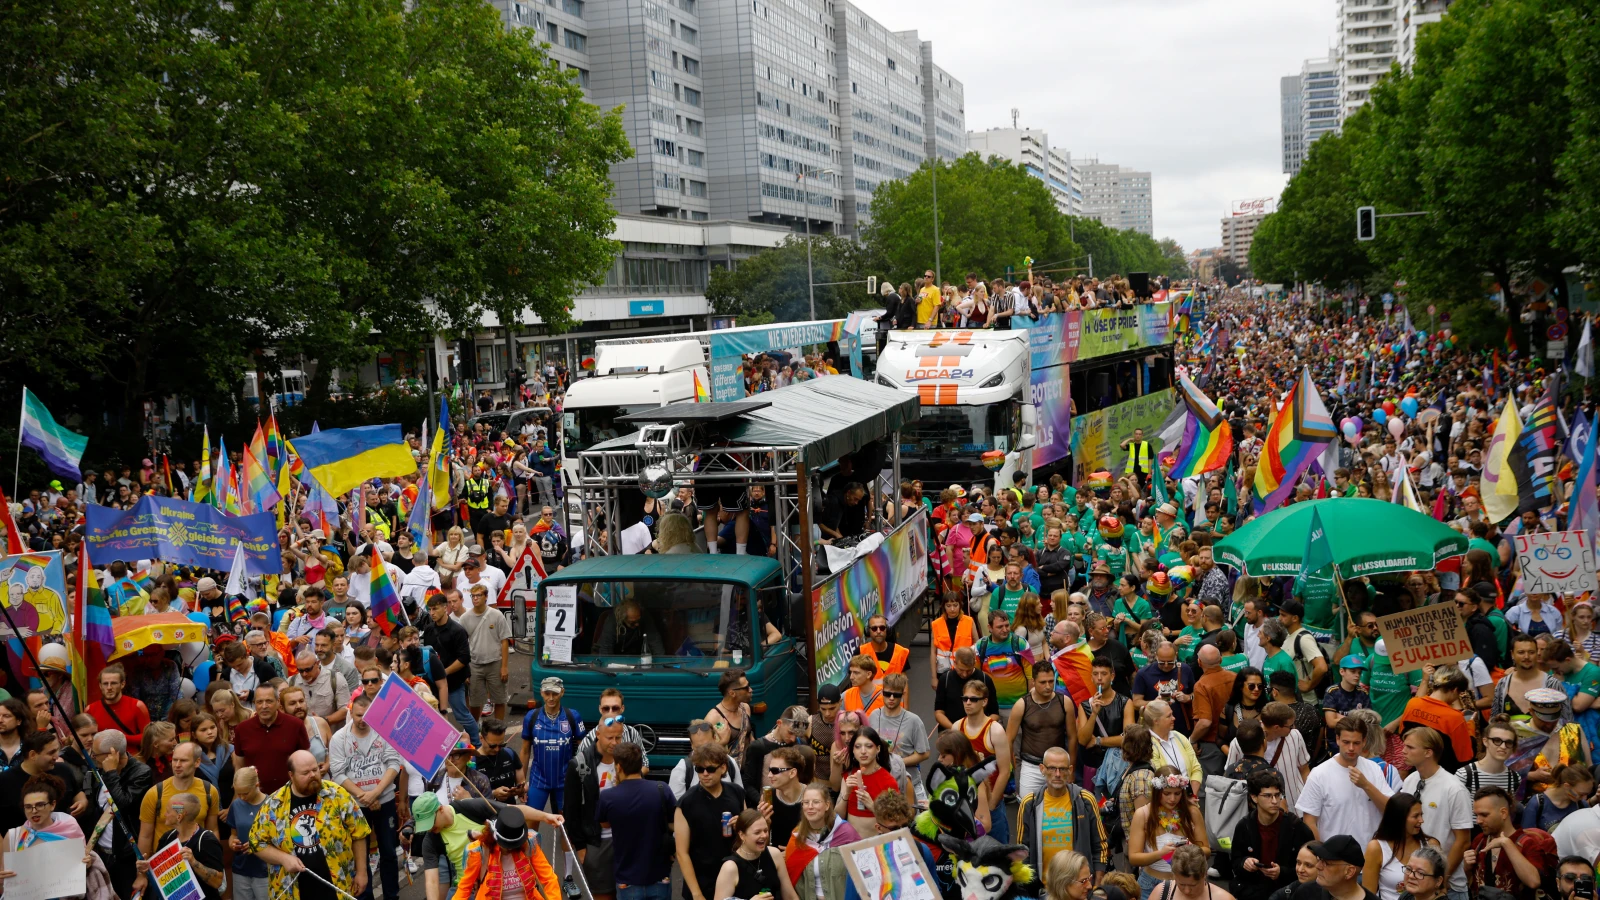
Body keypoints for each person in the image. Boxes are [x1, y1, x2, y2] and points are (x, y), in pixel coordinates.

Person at [247, 750, 372, 900]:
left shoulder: (337, 794)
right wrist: (283, 858)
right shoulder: (273, 805)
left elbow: (359, 832)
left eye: (315, 770)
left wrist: (362, 872)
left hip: (338, 884)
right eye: (305, 773)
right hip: (293, 890)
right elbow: (256, 842)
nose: (313, 775)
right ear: (291, 775)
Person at [328, 693, 403, 900]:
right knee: (360, 855)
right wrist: (365, 796)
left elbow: (394, 764)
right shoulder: (339, 739)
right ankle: (365, 896)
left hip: (385, 800)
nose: (363, 720)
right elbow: (338, 773)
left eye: (367, 715)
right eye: (359, 715)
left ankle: (391, 895)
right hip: (355, 805)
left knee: (388, 851)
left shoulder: (384, 733)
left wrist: (376, 793)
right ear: (351, 712)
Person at [1398, 727, 1473, 900]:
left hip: (1448, 887)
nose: (1403, 751)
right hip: (1418, 881)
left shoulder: (1453, 788)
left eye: (1410, 747)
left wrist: (1442, 880)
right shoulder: (1410, 780)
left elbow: (1463, 841)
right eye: (1404, 746)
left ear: (1428, 752)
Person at [595, 742, 676, 900]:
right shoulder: (662, 789)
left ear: (618, 767)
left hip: (627, 880)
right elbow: (674, 823)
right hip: (660, 877)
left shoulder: (608, 797)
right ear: (640, 765)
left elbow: (604, 824)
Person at [1298, 716, 1396, 844]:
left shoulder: (1374, 769)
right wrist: (1320, 854)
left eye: (1356, 743)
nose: (1351, 748)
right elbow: (1310, 821)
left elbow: (1390, 810)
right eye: (1346, 742)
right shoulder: (1319, 773)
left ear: (1364, 741)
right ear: (1337, 739)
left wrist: (1366, 785)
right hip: (1334, 856)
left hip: (1370, 855)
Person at [1015, 745, 1109, 876]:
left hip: (1080, 886)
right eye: (1052, 768)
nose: (1057, 774)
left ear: (1070, 770)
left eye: (1063, 769)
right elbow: (1022, 853)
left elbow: (1100, 845)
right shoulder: (1029, 804)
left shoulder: (1086, 800)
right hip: (1044, 889)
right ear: (1042, 769)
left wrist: (1096, 885)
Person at [674, 742, 746, 900]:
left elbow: (748, 834)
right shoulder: (686, 803)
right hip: (702, 881)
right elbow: (681, 853)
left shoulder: (737, 792)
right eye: (700, 769)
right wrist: (696, 893)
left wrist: (741, 825)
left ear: (723, 768)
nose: (705, 773)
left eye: (711, 769)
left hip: (735, 877)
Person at [566, 717, 625, 900]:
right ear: (598, 734)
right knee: (602, 895)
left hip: (625, 840)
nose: (614, 743)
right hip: (596, 842)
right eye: (610, 738)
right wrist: (581, 847)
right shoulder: (579, 764)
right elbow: (571, 810)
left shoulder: (625, 759)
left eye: (619, 737)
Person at [449, 805, 563, 900]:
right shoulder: (479, 851)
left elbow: (549, 879)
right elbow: (465, 888)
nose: (509, 849)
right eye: (505, 844)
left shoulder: (529, 843)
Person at [1128, 766, 1208, 900]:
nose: (1172, 799)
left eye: (1177, 793)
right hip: (1150, 884)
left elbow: (1207, 850)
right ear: (1157, 792)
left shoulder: (1192, 813)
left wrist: (1189, 851)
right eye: (1167, 793)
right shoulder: (1143, 814)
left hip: (1187, 885)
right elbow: (1134, 857)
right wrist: (1161, 854)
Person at [1233, 769, 1314, 900]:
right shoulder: (1244, 826)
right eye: (1267, 796)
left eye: (1277, 795)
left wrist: (1282, 872)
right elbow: (1235, 862)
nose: (1275, 801)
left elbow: (1313, 867)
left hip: (1287, 891)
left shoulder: (1296, 827)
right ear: (1254, 797)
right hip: (1253, 891)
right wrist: (1245, 862)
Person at [1466, 786, 1556, 900]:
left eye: (1484, 815)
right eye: (1476, 815)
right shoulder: (1479, 840)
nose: (1478, 821)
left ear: (1503, 813)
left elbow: (1534, 882)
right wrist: (1466, 867)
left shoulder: (1527, 843)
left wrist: (1507, 844)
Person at [92, 728, 153, 898]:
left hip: (126, 855)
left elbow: (122, 804)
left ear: (113, 754)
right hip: (102, 852)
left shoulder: (141, 773)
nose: (92, 757)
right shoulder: (98, 770)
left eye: (96, 754)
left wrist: (111, 773)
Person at [138, 741, 221, 856]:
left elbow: (213, 829)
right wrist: (142, 872)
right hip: (165, 864)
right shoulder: (155, 793)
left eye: (183, 761)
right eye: (174, 759)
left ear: (197, 762)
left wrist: (214, 860)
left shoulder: (209, 791)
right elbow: (145, 836)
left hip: (197, 861)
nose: (177, 765)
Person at [1007, 664, 1076, 800]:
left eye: (1051, 681)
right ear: (1033, 681)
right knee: (1028, 810)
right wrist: (1015, 767)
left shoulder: (1064, 702)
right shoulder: (1022, 705)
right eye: (1043, 682)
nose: (1048, 686)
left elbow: (1073, 737)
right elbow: (1008, 739)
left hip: (1059, 766)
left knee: (1059, 809)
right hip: (1031, 766)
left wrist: (1070, 770)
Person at [956, 679, 1012, 842]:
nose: (968, 703)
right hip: (964, 805)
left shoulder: (995, 730)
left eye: (973, 699)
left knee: (997, 854)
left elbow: (1004, 771)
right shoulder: (956, 728)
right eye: (965, 698)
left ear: (984, 701)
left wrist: (992, 804)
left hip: (990, 803)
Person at [231, 684, 312, 795]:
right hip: (255, 797)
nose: (264, 706)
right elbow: (240, 767)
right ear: (254, 703)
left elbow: (306, 762)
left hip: (290, 795)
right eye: (259, 702)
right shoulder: (242, 729)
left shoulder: (295, 725)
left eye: (269, 701)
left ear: (278, 702)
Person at [783, 782, 860, 899]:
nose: (810, 806)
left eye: (816, 802)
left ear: (827, 805)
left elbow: (862, 871)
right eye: (806, 802)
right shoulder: (797, 837)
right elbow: (789, 878)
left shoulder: (846, 834)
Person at [147, 791, 226, 900]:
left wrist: (193, 862)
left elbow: (217, 882)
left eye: (168, 811)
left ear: (179, 816)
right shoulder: (167, 837)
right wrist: (146, 868)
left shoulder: (206, 840)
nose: (164, 814)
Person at [423, 591, 478, 745]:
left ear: (445, 608)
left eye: (435, 609)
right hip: (433, 683)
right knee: (433, 715)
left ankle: (477, 744)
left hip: (454, 682)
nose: (432, 613)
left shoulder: (458, 631)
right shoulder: (428, 629)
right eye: (430, 609)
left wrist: (443, 673)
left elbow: (464, 658)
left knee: (462, 715)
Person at [1397, 670, 1476, 773]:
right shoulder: (1455, 717)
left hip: (1418, 770)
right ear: (1455, 690)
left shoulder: (1413, 703)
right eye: (1459, 694)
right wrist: (1470, 728)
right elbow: (1464, 756)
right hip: (1444, 774)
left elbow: (1402, 734)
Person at [1361, 792, 1436, 900]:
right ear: (1398, 818)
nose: (1421, 820)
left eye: (1421, 815)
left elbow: (1440, 889)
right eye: (1415, 816)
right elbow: (1368, 895)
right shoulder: (1376, 848)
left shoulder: (1431, 845)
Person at [868, 675, 930, 803]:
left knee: (919, 820)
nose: (891, 698)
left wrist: (897, 762)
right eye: (887, 693)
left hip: (909, 782)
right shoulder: (874, 716)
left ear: (902, 695)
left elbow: (924, 754)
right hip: (880, 783)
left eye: (896, 695)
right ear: (882, 692)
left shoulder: (914, 720)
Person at [712, 808, 800, 900]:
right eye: (757, 832)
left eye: (765, 831)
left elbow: (790, 895)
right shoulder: (730, 867)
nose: (764, 835)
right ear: (742, 835)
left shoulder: (774, 854)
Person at [835, 726, 905, 837]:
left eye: (869, 746)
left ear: (877, 749)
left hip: (876, 845)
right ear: (853, 750)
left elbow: (895, 822)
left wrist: (872, 806)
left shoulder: (888, 781)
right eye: (858, 747)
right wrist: (846, 794)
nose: (863, 751)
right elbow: (837, 817)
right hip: (850, 843)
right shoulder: (849, 775)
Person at [459, 583, 513, 722]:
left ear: (486, 597)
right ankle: (474, 730)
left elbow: (504, 641)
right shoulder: (465, 618)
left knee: (499, 698)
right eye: (473, 596)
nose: (475, 598)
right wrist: (465, 670)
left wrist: (505, 666)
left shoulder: (497, 615)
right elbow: (461, 645)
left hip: (495, 662)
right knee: (475, 701)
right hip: (474, 665)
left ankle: (498, 729)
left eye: (479, 595)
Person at [227, 766, 272, 900]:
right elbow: (233, 834)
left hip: (264, 871)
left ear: (256, 786)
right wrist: (232, 843)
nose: (241, 797)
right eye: (238, 793)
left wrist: (257, 846)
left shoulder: (271, 804)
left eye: (245, 793)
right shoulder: (236, 805)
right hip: (241, 869)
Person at [1145, 700, 1203, 797]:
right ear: (1156, 721)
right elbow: (1158, 778)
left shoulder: (1179, 737)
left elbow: (1196, 769)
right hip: (1167, 802)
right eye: (1169, 716)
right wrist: (1177, 798)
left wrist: (1192, 796)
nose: (1174, 718)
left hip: (1189, 799)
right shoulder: (1148, 744)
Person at [933, 646, 999, 730]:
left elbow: (994, 713)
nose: (964, 674)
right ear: (955, 663)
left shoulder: (985, 680)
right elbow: (939, 712)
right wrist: (955, 729)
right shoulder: (944, 679)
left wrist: (979, 730)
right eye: (961, 670)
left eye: (968, 670)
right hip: (950, 734)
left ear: (974, 663)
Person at [1457, 717, 1523, 799]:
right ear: (1485, 741)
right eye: (1497, 741)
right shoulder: (1464, 775)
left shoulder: (1514, 778)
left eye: (1508, 742)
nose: (1503, 746)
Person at [85, 664, 151, 740]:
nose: (109, 687)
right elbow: (85, 738)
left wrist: (120, 738)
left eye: (113, 683)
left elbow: (148, 737)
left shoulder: (137, 706)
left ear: (122, 684)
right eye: (105, 684)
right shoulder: (90, 709)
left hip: (130, 752)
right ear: (100, 685)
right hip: (100, 752)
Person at [705, 669, 754, 758]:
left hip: (749, 770)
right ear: (732, 693)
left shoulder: (745, 708)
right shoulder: (713, 718)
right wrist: (723, 742)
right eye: (746, 687)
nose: (750, 690)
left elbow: (749, 737)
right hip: (728, 770)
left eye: (749, 685)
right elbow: (705, 753)